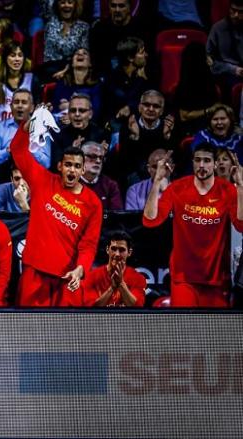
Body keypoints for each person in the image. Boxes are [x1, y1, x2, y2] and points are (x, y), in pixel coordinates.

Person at [10, 115, 103, 307]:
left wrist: (81, 269)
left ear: (83, 169)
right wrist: (28, 125)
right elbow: (18, 150)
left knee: (64, 333)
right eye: (68, 165)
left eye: (77, 166)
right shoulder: (42, 180)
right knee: (27, 328)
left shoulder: (93, 203)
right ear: (60, 166)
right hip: (34, 272)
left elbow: (89, 244)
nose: (72, 170)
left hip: (66, 277)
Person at [143, 145, 243, 307]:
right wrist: (157, 182)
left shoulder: (228, 191)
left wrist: (241, 187)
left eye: (207, 160)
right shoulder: (177, 188)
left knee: (217, 331)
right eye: (197, 160)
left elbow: (241, 225)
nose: (202, 165)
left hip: (216, 280)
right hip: (184, 278)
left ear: (216, 165)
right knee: (185, 330)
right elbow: (150, 220)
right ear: (193, 162)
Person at [117, 90, 176, 186]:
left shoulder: (169, 128)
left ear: (162, 111)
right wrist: (135, 137)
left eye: (156, 106)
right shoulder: (128, 127)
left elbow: (173, 159)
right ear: (140, 108)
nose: (151, 109)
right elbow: (124, 162)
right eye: (146, 105)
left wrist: (166, 137)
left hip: (161, 172)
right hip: (135, 175)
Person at [0, 88, 45, 184]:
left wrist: (30, 148)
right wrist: (9, 150)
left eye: (24, 102)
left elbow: (46, 163)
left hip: (33, 181)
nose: (20, 106)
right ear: (11, 106)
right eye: (16, 102)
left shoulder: (42, 130)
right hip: (4, 181)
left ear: (32, 108)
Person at [82, 231, 146, 307]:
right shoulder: (92, 277)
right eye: (113, 249)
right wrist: (112, 288)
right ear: (107, 249)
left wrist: (121, 284)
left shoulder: (138, 279)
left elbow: (137, 309)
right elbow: (90, 310)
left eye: (122, 250)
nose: (117, 254)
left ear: (129, 252)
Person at [0, 41, 35, 127]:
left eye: (20, 55)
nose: (17, 59)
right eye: (13, 55)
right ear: (5, 58)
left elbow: (36, 109)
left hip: (24, 130)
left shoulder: (32, 80)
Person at [89, 0, 149, 75]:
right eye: (113, 6)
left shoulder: (142, 29)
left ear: (129, 7)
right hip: (106, 78)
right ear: (109, 7)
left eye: (121, 6)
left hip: (135, 77)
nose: (117, 10)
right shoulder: (99, 29)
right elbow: (96, 60)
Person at [174, 42, 220, 136]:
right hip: (192, 128)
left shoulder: (209, 79)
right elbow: (184, 116)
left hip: (209, 123)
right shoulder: (185, 86)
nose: (210, 60)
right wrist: (208, 110)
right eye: (206, 56)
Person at [53, 93, 108, 164]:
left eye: (82, 110)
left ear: (90, 114)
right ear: (69, 114)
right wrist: (71, 152)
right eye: (73, 110)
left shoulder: (101, 135)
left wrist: (102, 156)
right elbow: (56, 165)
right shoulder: (59, 135)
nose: (77, 114)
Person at [52, 47, 103, 123]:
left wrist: (71, 109)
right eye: (77, 53)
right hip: (62, 124)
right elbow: (55, 106)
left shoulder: (96, 86)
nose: (80, 54)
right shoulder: (63, 83)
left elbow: (96, 112)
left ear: (90, 63)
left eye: (84, 53)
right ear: (72, 63)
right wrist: (59, 107)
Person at [42, 0, 90, 78]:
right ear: (57, 5)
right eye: (62, 2)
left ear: (75, 5)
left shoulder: (83, 27)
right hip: (51, 68)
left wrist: (67, 70)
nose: (66, 5)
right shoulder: (50, 25)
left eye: (70, 2)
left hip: (73, 68)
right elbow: (48, 55)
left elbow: (82, 53)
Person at [206, 0, 243, 92]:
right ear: (229, 8)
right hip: (226, 72)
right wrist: (233, 69)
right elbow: (209, 60)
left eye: (241, 12)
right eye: (233, 10)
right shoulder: (217, 29)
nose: (235, 15)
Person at [80, 141, 123, 210]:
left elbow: (116, 216)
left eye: (101, 158)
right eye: (93, 156)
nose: (98, 161)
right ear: (80, 158)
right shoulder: (71, 181)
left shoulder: (111, 186)